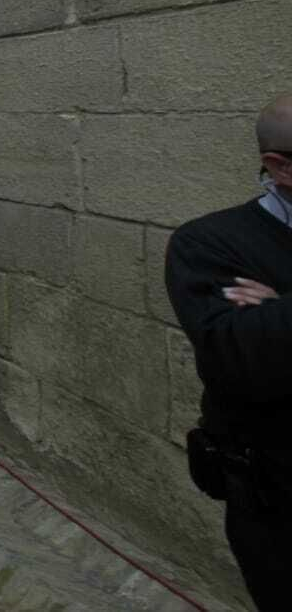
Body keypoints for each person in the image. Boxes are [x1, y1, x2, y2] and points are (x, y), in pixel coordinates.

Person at [165, 93, 292, 611]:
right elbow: (246, 361)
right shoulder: (207, 244)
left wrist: (280, 309)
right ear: (280, 167)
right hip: (278, 504)